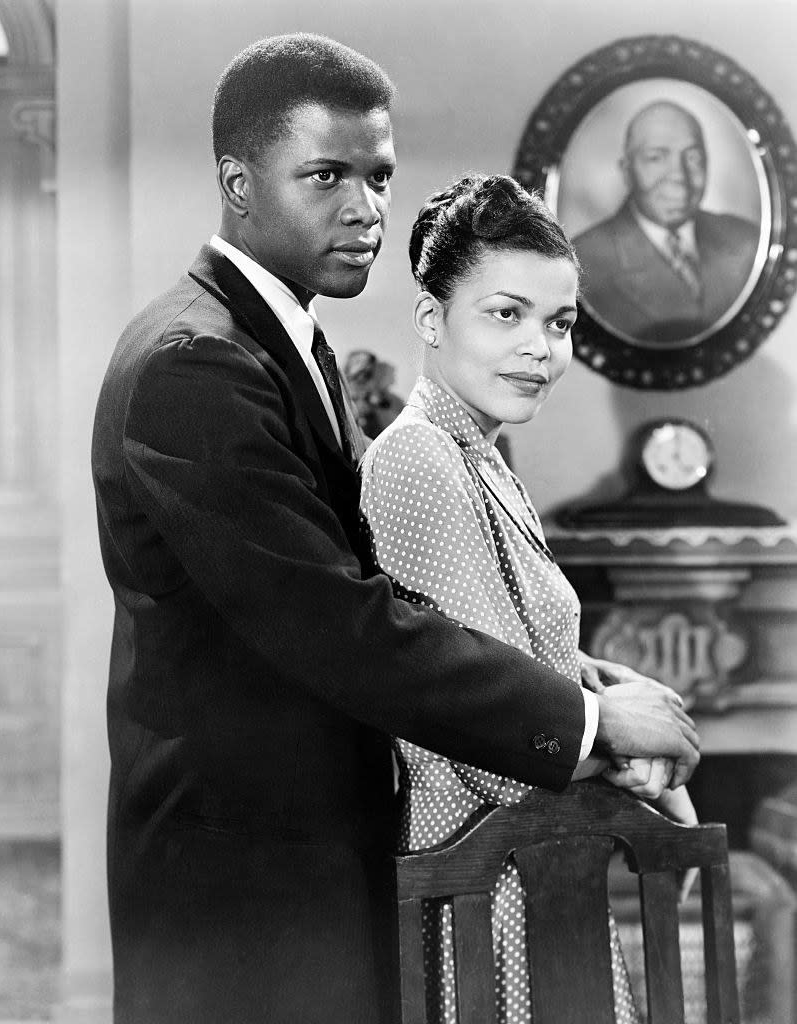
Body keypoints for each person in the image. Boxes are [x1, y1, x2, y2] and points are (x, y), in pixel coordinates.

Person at [91, 35, 700, 1024]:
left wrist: (575, 681)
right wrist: (588, 727)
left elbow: (384, 594)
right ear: (237, 182)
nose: (366, 207)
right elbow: (336, 619)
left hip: (310, 858)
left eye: (377, 175)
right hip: (239, 878)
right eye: (325, 174)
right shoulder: (193, 363)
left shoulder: (289, 348)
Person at [359, 173, 698, 1023]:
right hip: (482, 877)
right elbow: (483, 723)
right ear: (432, 320)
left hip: (533, 863)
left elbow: (526, 652)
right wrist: (644, 760)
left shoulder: (480, 452)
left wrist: (617, 696)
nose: (541, 348)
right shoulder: (420, 459)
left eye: (559, 323)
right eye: (506, 314)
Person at [573, 100, 760, 343]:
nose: (679, 175)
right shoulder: (583, 263)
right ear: (627, 172)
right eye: (656, 158)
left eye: (692, 157)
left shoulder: (748, 241)